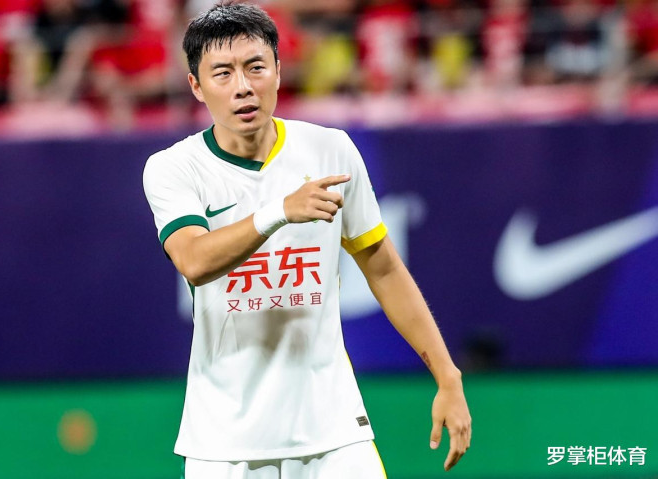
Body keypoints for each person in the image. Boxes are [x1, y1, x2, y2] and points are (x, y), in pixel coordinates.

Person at [142, 2, 471, 478]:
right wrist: (278, 211)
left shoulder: (330, 149)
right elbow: (193, 259)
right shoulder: (174, 168)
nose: (243, 86)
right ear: (196, 86)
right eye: (223, 73)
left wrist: (447, 375)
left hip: (333, 433)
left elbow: (383, 268)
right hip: (224, 444)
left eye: (256, 67)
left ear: (278, 70)